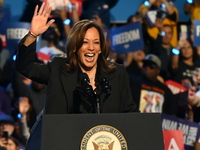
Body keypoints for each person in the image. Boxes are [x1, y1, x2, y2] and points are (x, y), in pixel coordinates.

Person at [15, 2, 139, 148]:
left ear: (101, 48)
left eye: (96, 42)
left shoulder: (117, 73)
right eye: (85, 42)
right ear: (74, 46)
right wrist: (32, 34)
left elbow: (130, 113)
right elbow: (25, 67)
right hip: (61, 144)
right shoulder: (58, 68)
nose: (91, 48)